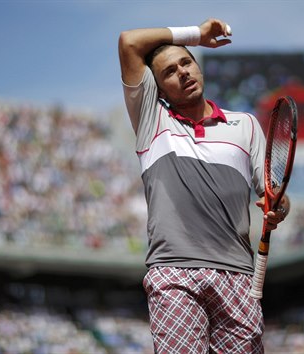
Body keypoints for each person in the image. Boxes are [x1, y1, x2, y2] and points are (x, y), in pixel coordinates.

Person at [118, 18, 290, 353]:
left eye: (186, 62)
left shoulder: (246, 125)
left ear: (199, 68)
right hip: (174, 273)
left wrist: (279, 209)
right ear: (158, 87)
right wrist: (196, 36)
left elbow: (274, 197)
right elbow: (128, 42)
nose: (182, 72)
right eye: (169, 71)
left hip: (238, 274)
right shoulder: (151, 119)